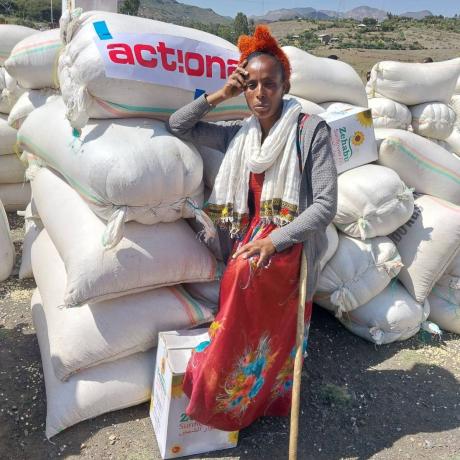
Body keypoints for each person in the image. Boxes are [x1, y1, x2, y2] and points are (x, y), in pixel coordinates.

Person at [166, 25, 337, 431]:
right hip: (249, 236)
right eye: (252, 85)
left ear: (285, 86)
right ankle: (224, 394)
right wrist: (222, 93)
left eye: (270, 85)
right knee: (238, 273)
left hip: (290, 240)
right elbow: (178, 126)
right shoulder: (240, 137)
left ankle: (239, 396)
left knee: (244, 273)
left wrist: (273, 242)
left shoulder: (310, 131)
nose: (261, 94)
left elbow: (326, 206)